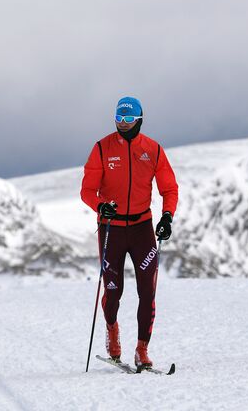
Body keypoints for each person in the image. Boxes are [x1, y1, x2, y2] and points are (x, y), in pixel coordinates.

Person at [80, 96, 178, 368]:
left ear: (139, 120)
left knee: (148, 290)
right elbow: (87, 191)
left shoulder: (153, 150)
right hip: (111, 228)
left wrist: (167, 217)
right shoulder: (102, 148)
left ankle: (141, 350)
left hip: (141, 228)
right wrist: (100, 206)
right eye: (119, 119)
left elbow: (169, 188)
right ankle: (112, 330)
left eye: (128, 120)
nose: (123, 125)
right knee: (114, 291)